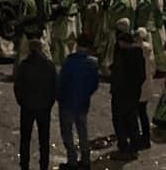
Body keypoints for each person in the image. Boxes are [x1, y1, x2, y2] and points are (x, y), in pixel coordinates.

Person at [57, 33, 101, 170]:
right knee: (82, 131)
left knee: (67, 132)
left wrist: (59, 96)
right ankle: (85, 159)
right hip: (82, 103)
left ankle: (72, 160)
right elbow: (94, 84)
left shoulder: (69, 61)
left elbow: (61, 81)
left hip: (67, 101)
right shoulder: (93, 63)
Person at [14, 38, 58, 170]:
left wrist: (22, 102)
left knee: (25, 139)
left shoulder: (24, 66)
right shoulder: (49, 66)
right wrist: (49, 102)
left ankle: (24, 165)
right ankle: (44, 165)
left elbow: (18, 87)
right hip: (44, 107)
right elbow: (55, 86)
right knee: (44, 140)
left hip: (27, 107)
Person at [109, 18, 145, 161]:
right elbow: (141, 76)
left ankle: (123, 148)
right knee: (132, 121)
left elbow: (118, 75)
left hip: (121, 94)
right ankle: (134, 147)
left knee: (119, 121)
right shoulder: (138, 54)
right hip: (133, 94)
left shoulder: (123, 56)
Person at [135, 27, 156, 151]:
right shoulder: (149, 50)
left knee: (136, 113)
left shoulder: (135, 49)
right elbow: (152, 68)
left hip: (137, 85)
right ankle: (146, 137)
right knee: (143, 112)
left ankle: (136, 136)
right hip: (147, 84)